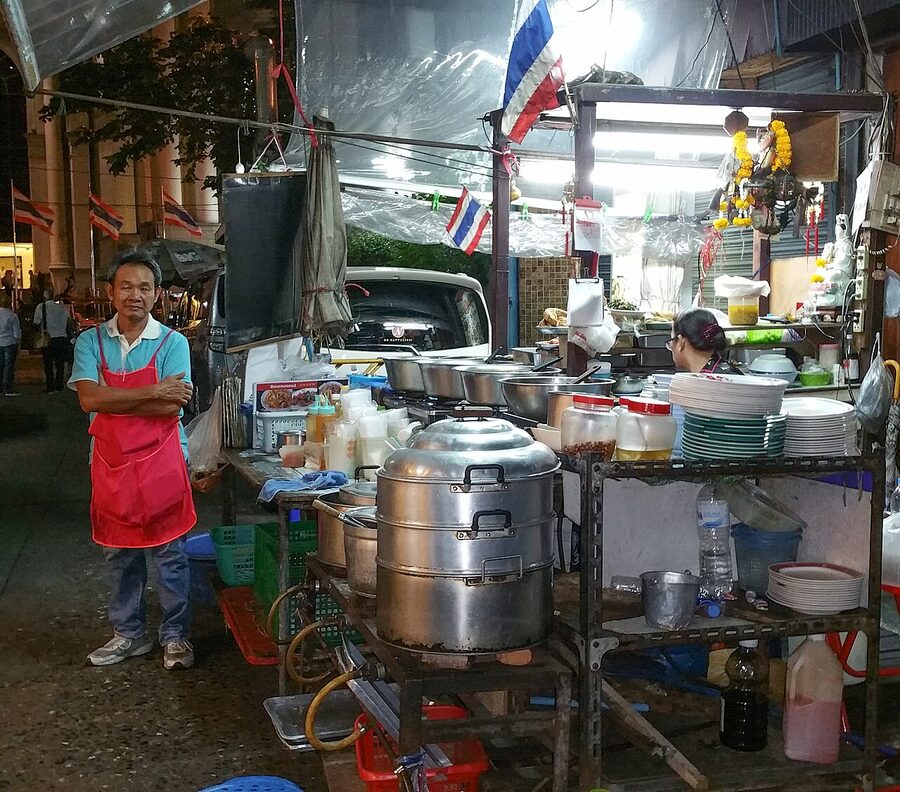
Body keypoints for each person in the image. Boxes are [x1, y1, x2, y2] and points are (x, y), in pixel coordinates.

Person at [69, 248, 196, 670]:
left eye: (145, 287)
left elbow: (170, 409)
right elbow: (88, 399)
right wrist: (153, 391)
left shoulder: (173, 342)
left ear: (157, 295)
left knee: (169, 554)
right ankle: (130, 634)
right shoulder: (91, 341)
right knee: (119, 554)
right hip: (110, 463)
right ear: (112, 291)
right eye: (126, 286)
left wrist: (116, 399)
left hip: (163, 461)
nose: (135, 295)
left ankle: (175, 636)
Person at [668, 308, 743, 374]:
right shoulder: (727, 372)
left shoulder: (708, 383)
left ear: (681, 342)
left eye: (671, 340)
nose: (671, 346)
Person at [34, 289, 71, 392]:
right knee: (60, 364)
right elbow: (69, 321)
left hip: (48, 338)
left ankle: (50, 386)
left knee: (48, 364)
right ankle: (60, 385)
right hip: (62, 337)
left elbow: (36, 322)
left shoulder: (41, 307)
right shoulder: (62, 307)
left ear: (44, 296)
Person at [0, 293, 21, 396]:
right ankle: (8, 389)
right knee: (9, 366)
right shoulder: (12, 315)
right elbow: (17, 333)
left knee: (0, 365)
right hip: (9, 342)